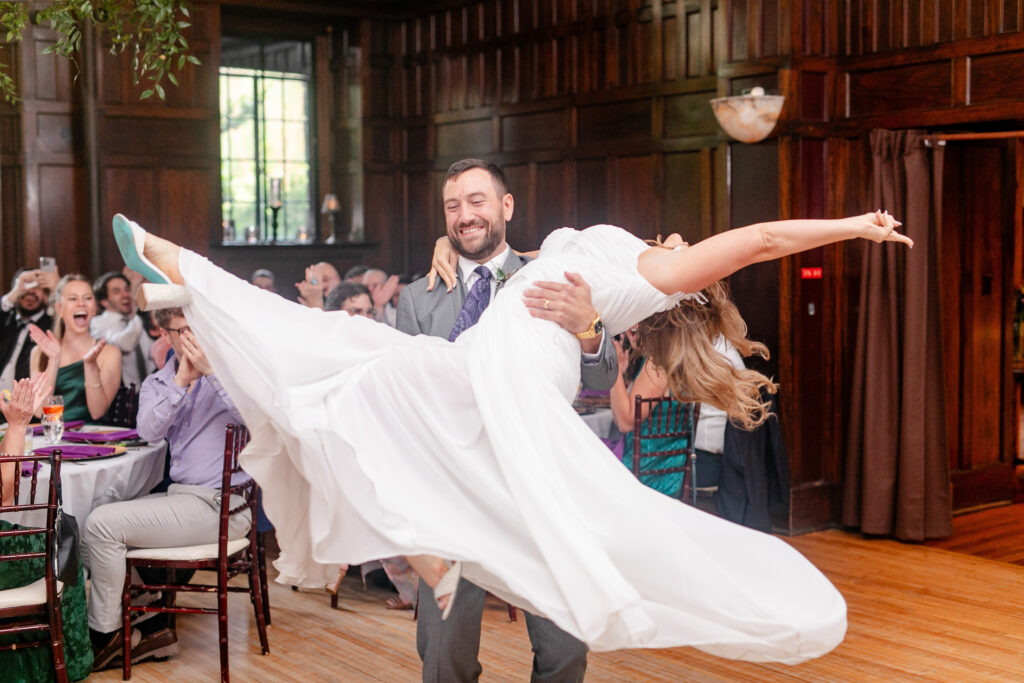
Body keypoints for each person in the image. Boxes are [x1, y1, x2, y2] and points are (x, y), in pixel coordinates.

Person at [110, 194, 909, 665]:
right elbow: (521, 259)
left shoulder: (648, 277)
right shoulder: (601, 252)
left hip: (517, 376)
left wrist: (851, 225)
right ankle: (431, 557)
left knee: (350, 366)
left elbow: (764, 240)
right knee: (347, 374)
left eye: (685, 251)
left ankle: (182, 273)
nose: (679, 241)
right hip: (489, 360)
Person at [398, 160, 614, 682]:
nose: (466, 216)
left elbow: (604, 378)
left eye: (478, 201)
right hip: (455, 492)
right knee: (444, 655)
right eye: (453, 206)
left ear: (506, 206)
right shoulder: (417, 298)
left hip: (541, 488)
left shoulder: (554, 277)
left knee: (567, 648)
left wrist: (590, 326)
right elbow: (406, 398)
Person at [81, 306, 249, 670]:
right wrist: (180, 385)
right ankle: (149, 623)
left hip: (223, 506)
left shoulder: (234, 376)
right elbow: (148, 432)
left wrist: (210, 374)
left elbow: (255, 417)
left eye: (198, 327)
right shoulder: (159, 383)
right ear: (166, 334)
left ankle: (106, 636)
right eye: (184, 330)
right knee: (88, 522)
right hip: (182, 499)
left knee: (102, 524)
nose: (194, 337)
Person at [609, 322, 745, 497]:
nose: (632, 324)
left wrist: (613, 367)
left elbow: (625, 421)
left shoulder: (661, 359)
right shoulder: (678, 351)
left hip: (652, 476)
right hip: (669, 470)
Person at [29, 275, 121, 423]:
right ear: (59, 308)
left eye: (87, 298)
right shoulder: (39, 353)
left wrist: (90, 365)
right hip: (52, 439)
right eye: (73, 299)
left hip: (93, 441)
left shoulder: (110, 353)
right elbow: (39, 411)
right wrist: (53, 360)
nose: (81, 304)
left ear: (95, 308)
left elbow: (97, 412)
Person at [90, 271, 155, 391]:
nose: (126, 295)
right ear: (104, 301)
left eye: (127, 289)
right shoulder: (98, 323)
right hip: (124, 399)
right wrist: (136, 308)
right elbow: (126, 344)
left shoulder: (139, 319)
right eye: (116, 291)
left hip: (151, 393)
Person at [0, 268, 57, 395]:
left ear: (46, 296)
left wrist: (57, 290)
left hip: (28, 407)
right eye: (25, 285)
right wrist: (13, 294)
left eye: (37, 287)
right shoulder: (5, 320)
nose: (30, 291)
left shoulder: (52, 326)